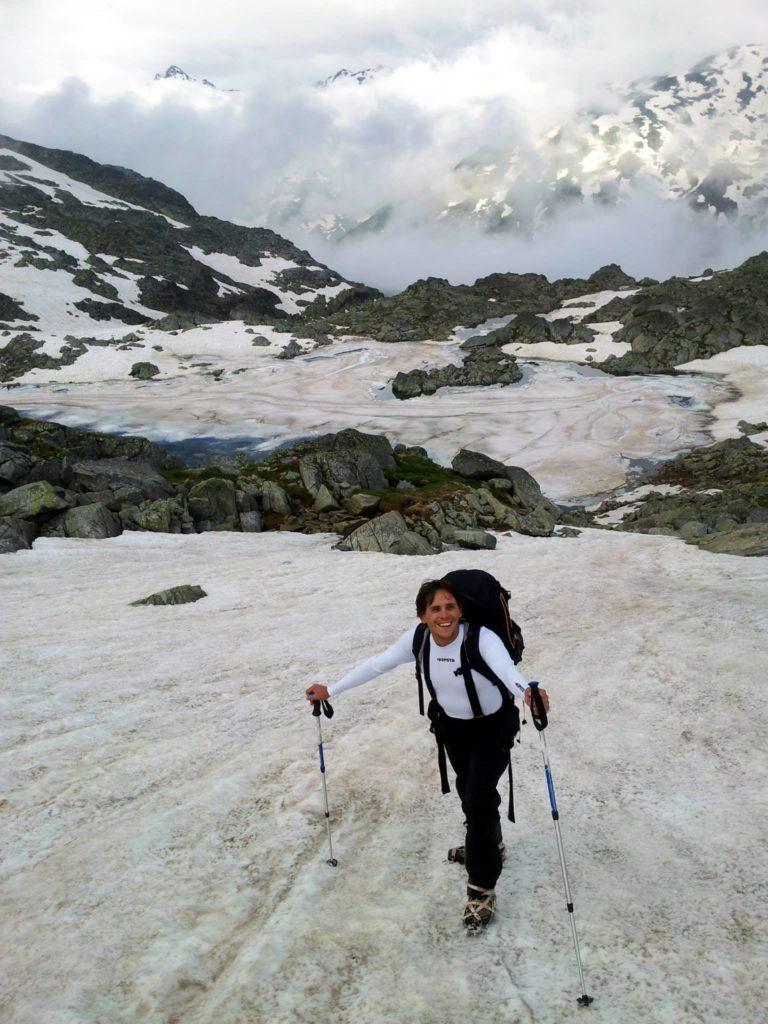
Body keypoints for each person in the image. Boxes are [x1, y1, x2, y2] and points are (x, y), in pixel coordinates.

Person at [305, 577, 550, 932]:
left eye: (450, 606)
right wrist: (333, 689)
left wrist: (529, 693)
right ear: (423, 615)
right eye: (435, 608)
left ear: (461, 610)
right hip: (451, 728)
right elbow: (378, 664)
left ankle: (481, 886)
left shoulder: (481, 638)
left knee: (479, 799)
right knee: (469, 792)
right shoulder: (418, 639)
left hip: (492, 728)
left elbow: (508, 672)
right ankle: (488, 844)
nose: (444, 614)